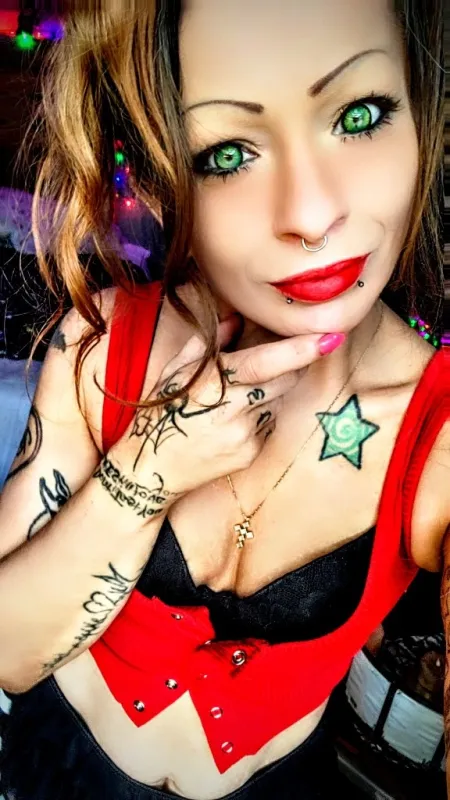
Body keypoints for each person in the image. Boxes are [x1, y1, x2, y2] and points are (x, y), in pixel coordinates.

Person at [0, 1, 448, 798]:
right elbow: (8, 653)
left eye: (359, 115)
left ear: (422, 112)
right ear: (163, 173)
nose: (311, 215)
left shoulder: (437, 433)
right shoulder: (103, 343)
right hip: (59, 769)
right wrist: (145, 473)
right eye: (228, 153)